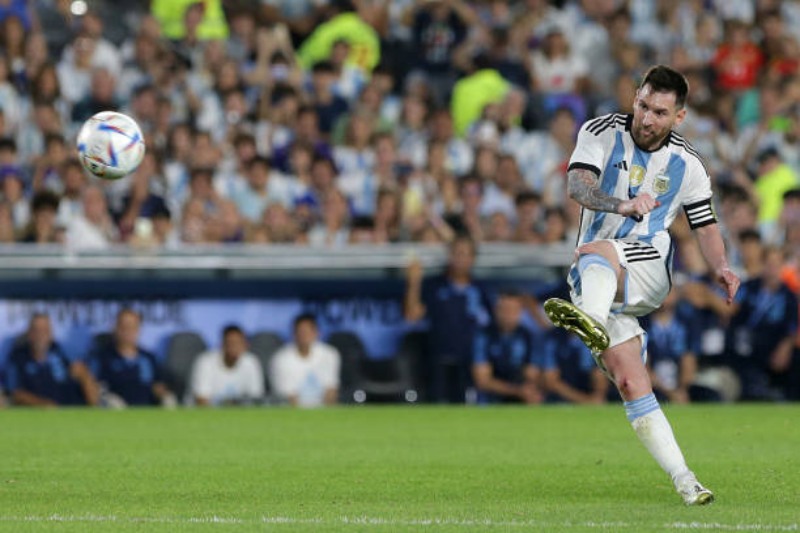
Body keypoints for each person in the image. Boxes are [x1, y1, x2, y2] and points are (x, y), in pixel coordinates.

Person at [543, 65, 740, 505]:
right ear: (635, 98)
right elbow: (578, 184)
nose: (647, 118)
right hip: (594, 278)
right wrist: (622, 204)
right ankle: (686, 480)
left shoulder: (687, 164)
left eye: (659, 112)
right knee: (631, 381)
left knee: (601, 251)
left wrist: (722, 266)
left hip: (648, 265)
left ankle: (588, 321)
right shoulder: (600, 131)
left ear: (679, 117)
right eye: (643, 106)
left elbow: (704, 224)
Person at [404, 235, 492, 403]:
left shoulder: (480, 290)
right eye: (457, 253)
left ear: (473, 259)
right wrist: (414, 282)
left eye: (466, 254)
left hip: (470, 361)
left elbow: (490, 325)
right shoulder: (435, 286)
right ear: (449, 256)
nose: (461, 259)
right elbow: (412, 315)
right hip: (439, 359)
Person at [4, 313, 100, 406]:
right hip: (36, 415)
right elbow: (15, 393)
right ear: (29, 334)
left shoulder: (62, 353)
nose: (40, 335)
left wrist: (85, 376)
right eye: (36, 330)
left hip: (68, 414)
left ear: (51, 334)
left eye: (45, 331)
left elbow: (84, 377)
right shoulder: (18, 358)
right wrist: (42, 405)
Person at [90, 309, 177, 407]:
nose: (128, 332)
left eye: (132, 327)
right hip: (115, 410)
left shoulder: (148, 358)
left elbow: (158, 384)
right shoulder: (102, 357)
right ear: (115, 328)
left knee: (169, 400)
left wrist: (162, 393)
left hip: (145, 409)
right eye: (124, 327)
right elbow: (95, 387)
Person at [471, 290, 542, 404]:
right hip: (491, 399)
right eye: (504, 309)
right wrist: (516, 390)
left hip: (521, 396)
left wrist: (527, 390)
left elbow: (532, 375)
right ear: (496, 310)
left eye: (513, 310)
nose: (508, 314)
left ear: (521, 312)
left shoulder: (528, 336)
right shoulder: (483, 336)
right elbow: (482, 380)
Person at [270, 313, 341, 407]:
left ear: (317, 333)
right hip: (292, 413)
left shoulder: (330, 354)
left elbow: (331, 391)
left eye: (308, 331)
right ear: (294, 334)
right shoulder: (280, 359)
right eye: (301, 332)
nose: (304, 336)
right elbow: (288, 398)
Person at [188, 325, 264, 406]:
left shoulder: (251, 362)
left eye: (238, 343)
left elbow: (256, 398)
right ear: (222, 344)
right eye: (230, 343)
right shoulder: (205, 362)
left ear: (246, 345)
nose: (234, 347)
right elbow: (201, 400)